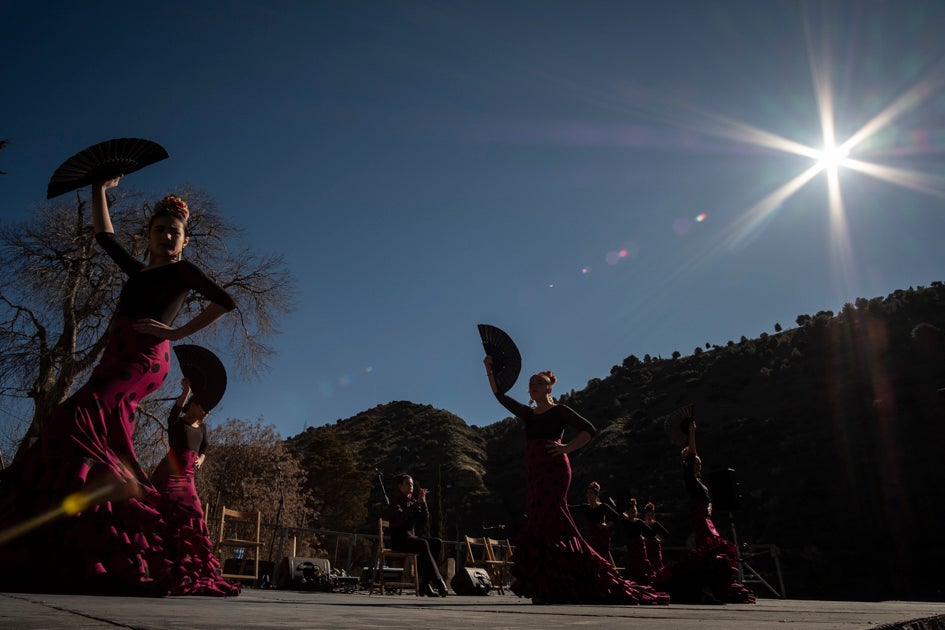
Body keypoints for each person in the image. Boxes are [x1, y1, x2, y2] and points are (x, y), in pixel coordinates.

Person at [0, 177, 237, 596]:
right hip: (115, 356)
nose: (166, 236)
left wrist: (178, 332)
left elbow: (225, 301)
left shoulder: (182, 271)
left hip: (146, 357)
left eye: (174, 232)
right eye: (160, 229)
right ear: (148, 235)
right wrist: (97, 189)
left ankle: (103, 505)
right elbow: (104, 236)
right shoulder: (140, 270)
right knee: (99, 432)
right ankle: (81, 533)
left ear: (183, 241)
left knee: (77, 415)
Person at [483, 356, 669, 605]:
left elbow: (589, 429)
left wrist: (566, 448)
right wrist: (489, 369)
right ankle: (548, 583)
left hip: (555, 470)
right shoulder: (528, 414)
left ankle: (565, 578)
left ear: (549, 387)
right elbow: (501, 397)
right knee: (538, 518)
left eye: (539, 382)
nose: (534, 385)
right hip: (535, 473)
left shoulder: (559, 411)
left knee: (553, 516)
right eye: (531, 383)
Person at [151, 378, 239, 596]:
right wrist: (186, 390)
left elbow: (205, 448)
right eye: (204, 408)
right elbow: (173, 413)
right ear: (194, 405)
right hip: (169, 476)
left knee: (195, 513)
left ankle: (188, 568)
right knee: (165, 514)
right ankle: (163, 568)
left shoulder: (204, 429)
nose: (207, 413)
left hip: (188, 478)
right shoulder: (178, 424)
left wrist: (201, 458)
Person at [660, 420, 755, 604]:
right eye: (694, 460)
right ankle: (705, 588)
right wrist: (691, 433)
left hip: (706, 518)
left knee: (713, 551)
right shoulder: (689, 478)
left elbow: (708, 500)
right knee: (708, 552)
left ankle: (708, 587)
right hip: (700, 518)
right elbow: (692, 454)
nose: (697, 461)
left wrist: (709, 508)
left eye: (697, 461)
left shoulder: (699, 482)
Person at [386, 474, 448, 597]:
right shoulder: (395, 501)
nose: (411, 486)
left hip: (410, 538)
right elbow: (401, 518)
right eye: (408, 484)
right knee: (423, 543)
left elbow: (423, 520)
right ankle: (438, 581)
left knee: (436, 542)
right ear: (400, 486)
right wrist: (416, 504)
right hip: (399, 539)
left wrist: (423, 503)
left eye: (412, 484)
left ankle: (425, 584)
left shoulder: (412, 501)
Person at [569, 481, 620, 566]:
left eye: (591, 493)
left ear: (596, 495)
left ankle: (610, 573)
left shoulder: (602, 506)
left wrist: (607, 525)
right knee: (593, 555)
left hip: (602, 535)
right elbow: (571, 508)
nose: (588, 495)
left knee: (602, 555)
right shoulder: (585, 507)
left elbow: (616, 516)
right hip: (592, 535)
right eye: (587, 493)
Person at [622, 497, 654, 585]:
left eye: (634, 512)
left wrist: (644, 538)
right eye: (631, 512)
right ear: (628, 512)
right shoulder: (626, 522)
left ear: (636, 512)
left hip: (639, 544)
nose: (633, 513)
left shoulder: (639, 521)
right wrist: (627, 516)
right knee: (632, 563)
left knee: (642, 562)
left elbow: (650, 531)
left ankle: (645, 582)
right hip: (631, 545)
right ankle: (634, 582)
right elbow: (621, 513)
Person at [642, 501, 670, 581]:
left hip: (654, 547)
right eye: (648, 515)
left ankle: (659, 580)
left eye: (651, 515)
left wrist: (660, 541)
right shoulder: (643, 524)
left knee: (657, 564)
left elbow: (666, 534)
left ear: (653, 515)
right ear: (645, 515)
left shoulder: (655, 524)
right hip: (645, 546)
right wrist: (643, 539)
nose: (649, 516)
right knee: (647, 564)